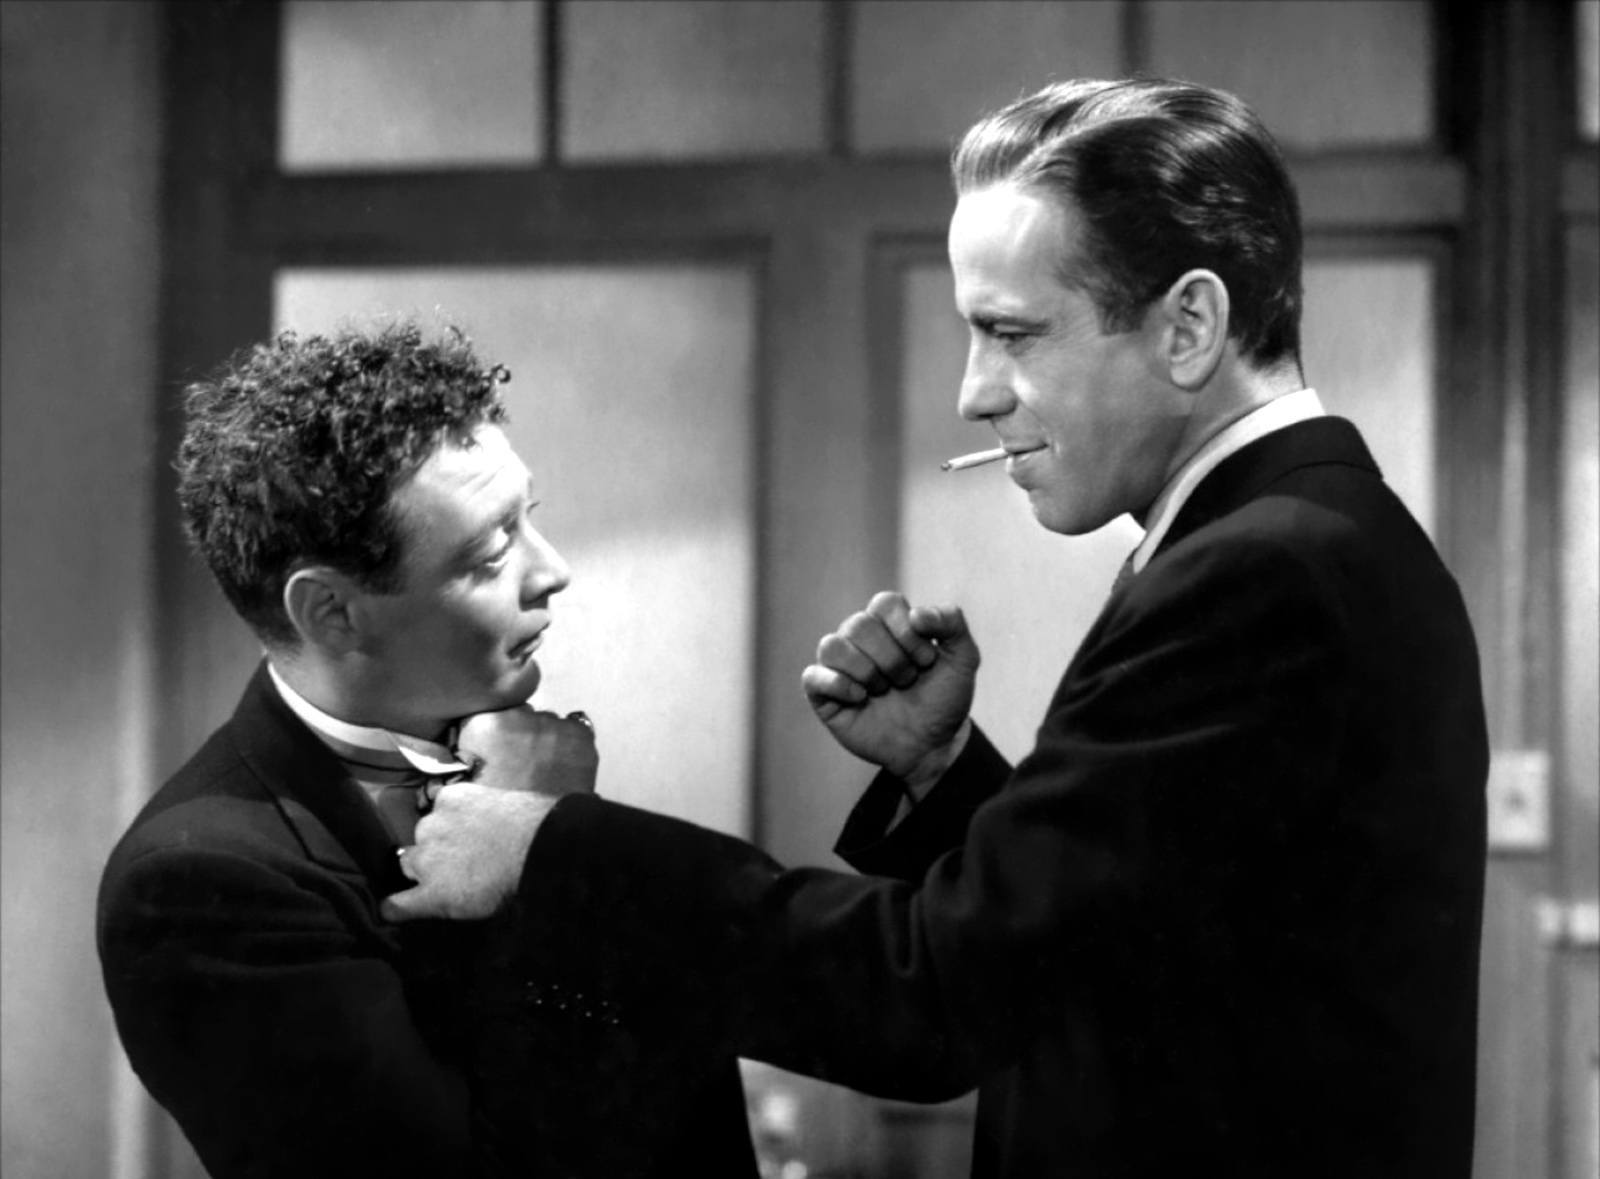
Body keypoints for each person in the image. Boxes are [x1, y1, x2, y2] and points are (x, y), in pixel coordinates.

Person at [389, 77, 1489, 1178]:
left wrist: (554, 854)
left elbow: (941, 999)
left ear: (1188, 327)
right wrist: (943, 768)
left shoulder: (1265, 572)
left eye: (1012, 333)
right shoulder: (1301, 536)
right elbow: (1120, 943)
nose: (974, 393)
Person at [96, 323, 758, 1178]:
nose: (553, 570)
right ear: (331, 612)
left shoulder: (516, 752)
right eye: (492, 550)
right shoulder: (199, 887)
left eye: (529, 518)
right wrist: (547, 852)